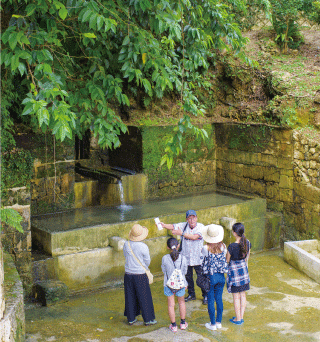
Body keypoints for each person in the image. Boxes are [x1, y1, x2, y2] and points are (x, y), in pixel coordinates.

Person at [160, 209, 208, 304]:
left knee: (201, 278)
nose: (192, 220)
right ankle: (191, 294)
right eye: (189, 218)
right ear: (186, 219)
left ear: (196, 218)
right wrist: (164, 225)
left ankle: (205, 295)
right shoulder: (184, 225)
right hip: (186, 258)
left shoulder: (201, 227)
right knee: (187, 277)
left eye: (193, 218)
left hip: (198, 258)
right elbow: (173, 226)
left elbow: (194, 237)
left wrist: (181, 233)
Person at [123, 223, 157, 326]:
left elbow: (125, 255)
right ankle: (148, 319)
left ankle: (131, 318)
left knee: (130, 296)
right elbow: (147, 261)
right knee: (144, 297)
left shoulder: (126, 244)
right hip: (140, 275)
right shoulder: (143, 246)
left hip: (128, 274)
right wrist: (143, 267)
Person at [201, 224, 228, 331]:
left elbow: (202, 259)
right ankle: (219, 322)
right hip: (221, 277)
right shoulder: (224, 246)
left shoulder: (205, 248)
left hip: (211, 278)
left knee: (211, 300)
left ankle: (212, 324)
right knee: (219, 299)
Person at [161, 237, 189, 332]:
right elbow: (185, 271)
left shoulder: (165, 258)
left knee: (171, 305)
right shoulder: (183, 258)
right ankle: (183, 323)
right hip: (181, 284)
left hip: (168, 284)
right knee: (181, 302)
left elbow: (163, 270)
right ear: (178, 246)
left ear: (167, 247)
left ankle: (173, 325)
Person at [226, 222, 251, 325]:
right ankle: (241, 316)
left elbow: (227, 260)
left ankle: (238, 319)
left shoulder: (232, 246)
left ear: (235, 233)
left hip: (235, 273)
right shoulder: (247, 242)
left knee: (236, 296)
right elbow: (247, 256)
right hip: (244, 271)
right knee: (243, 295)